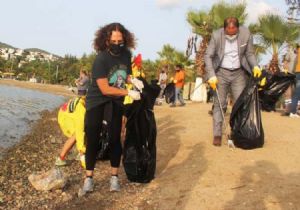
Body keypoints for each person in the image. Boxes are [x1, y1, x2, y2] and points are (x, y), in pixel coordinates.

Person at [78, 22, 143, 197]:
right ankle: (89, 178)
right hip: (97, 101)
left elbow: (124, 74)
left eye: (120, 40)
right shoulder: (101, 59)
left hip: (116, 102)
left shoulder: (126, 54)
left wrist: (133, 80)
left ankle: (114, 177)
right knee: (92, 137)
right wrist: (128, 91)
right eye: (113, 40)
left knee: (115, 138)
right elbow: (105, 89)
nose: (117, 43)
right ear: (106, 40)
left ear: (125, 39)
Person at [204, 17, 262, 146]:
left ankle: (237, 132)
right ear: (224, 29)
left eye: (233, 33)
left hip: (239, 73)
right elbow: (208, 56)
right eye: (228, 33)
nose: (231, 35)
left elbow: (250, 53)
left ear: (238, 28)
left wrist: (255, 66)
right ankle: (217, 134)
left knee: (240, 104)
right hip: (220, 72)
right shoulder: (216, 35)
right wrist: (211, 75)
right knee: (220, 104)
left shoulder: (246, 34)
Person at [55, 97, 86, 168]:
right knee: (76, 135)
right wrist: (82, 156)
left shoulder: (83, 98)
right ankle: (60, 159)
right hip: (65, 117)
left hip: (67, 113)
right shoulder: (81, 110)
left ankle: (80, 153)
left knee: (83, 130)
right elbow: (80, 134)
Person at [290, 44, 300, 118]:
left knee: (296, 93)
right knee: (297, 93)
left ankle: (293, 112)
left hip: (297, 73)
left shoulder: (298, 51)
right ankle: (293, 112)